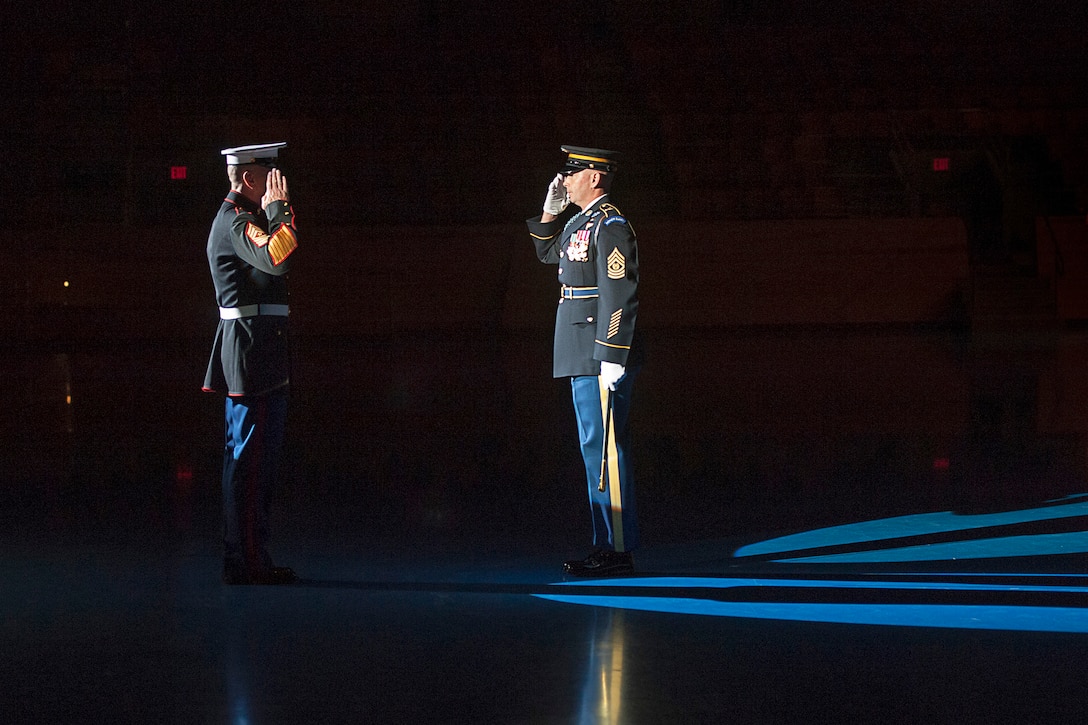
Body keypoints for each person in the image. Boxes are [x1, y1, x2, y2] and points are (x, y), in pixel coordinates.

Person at [526, 145, 642, 577]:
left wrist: (612, 354)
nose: (564, 179)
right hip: (578, 346)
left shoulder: (611, 224)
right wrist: (550, 212)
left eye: (572, 172)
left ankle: (616, 549)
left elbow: (620, 291)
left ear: (595, 177)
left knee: (605, 450)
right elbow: (548, 254)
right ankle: (605, 543)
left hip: (597, 349)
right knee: (593, 447)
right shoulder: (582, 221)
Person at [203, 142, 299, 585]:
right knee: (248, 465)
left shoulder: (245, 218)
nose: (276, 182)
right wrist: (279, 210)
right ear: (249, 179)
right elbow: (278, 256)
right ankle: (246, 561)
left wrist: (276, 211)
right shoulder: (236, 222)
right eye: (269, 175)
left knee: (257, 464)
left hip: (262, 356)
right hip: (251, 359)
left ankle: (249, 555)